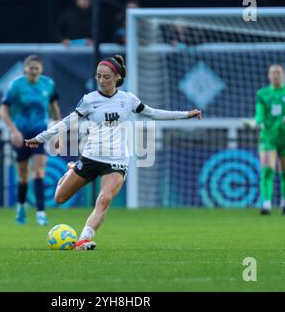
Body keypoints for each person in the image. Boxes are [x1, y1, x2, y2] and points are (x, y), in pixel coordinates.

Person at [25, 55, 202, 250]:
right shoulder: (89, 100)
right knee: (59, 197)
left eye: (106, 77)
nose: (101, 80)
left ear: (117, 77)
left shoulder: (128, 99)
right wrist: (40, 138)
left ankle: (84, 239)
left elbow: (152, 113)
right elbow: (68, 122)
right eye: (98, 76)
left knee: (105, 199)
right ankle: (71, 169)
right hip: (91, 156)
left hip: (117, 159)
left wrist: (185, 115)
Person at [0, 55, 61, 225]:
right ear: (25, 69)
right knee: (23, 175)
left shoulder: (48, 84)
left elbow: (54, 108)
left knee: (39, 171)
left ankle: (41, 213)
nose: (34, 70)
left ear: (41, 69)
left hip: (40, 134)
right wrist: (13, 131)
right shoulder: (17, 85)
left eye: (37, 67)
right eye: (30, 67)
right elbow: (3, 110)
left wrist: (57, 131)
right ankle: (20, 207)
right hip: (21, 134)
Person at [245, 64, 285, 215]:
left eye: (278, 72)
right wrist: (254, 122)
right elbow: (260, 114)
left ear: (283, 75)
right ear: (268, 75)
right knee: (268, 169)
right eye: (273, 73)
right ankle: (267, 203)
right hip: (268, 137)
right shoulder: (262, 94)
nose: (276, 75)